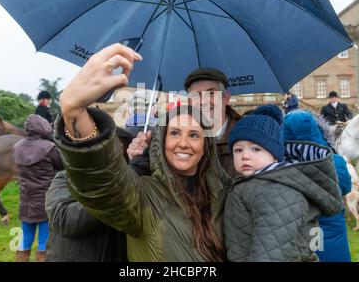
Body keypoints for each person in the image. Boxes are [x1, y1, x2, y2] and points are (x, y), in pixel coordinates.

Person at [55, 43, 230, 261]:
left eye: (194, 135)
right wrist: (75, 112)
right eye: (174, 133)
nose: (183, 143)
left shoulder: (225, 192)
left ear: (205, 147)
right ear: (160, 142)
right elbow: (104, 183)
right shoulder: (145, 195)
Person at [224, 104, 344, 262]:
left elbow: (271, 253)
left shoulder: (277, 191)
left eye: (256, 149)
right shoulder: (255, 183)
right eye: (238, 150)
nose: (245, 155)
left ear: (275, 155)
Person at [127, 67, 241, 176]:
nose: (203, 101)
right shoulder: (164, 138)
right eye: (196, 95)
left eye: (211, 93)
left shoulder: (246, 136)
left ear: (226, 98)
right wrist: (138, 161)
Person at [45, 127, 135, 262]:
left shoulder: (131, 179)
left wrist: (137, 168)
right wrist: (115, 190)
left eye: (118, 146)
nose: (110, 152)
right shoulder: (66, 178)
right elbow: (65, 221)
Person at [284, 110, 352, 262]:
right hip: (333, 242)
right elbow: (346, 188)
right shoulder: (336, 162)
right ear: (319, 130)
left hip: (296, 242)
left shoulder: (277, 165)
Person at [13, 114, 64, 262]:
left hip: (26, 200)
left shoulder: (17, 146)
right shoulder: (49, 148)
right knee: (44, 240)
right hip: (45, 201)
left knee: (25, 238)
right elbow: (62, 165)